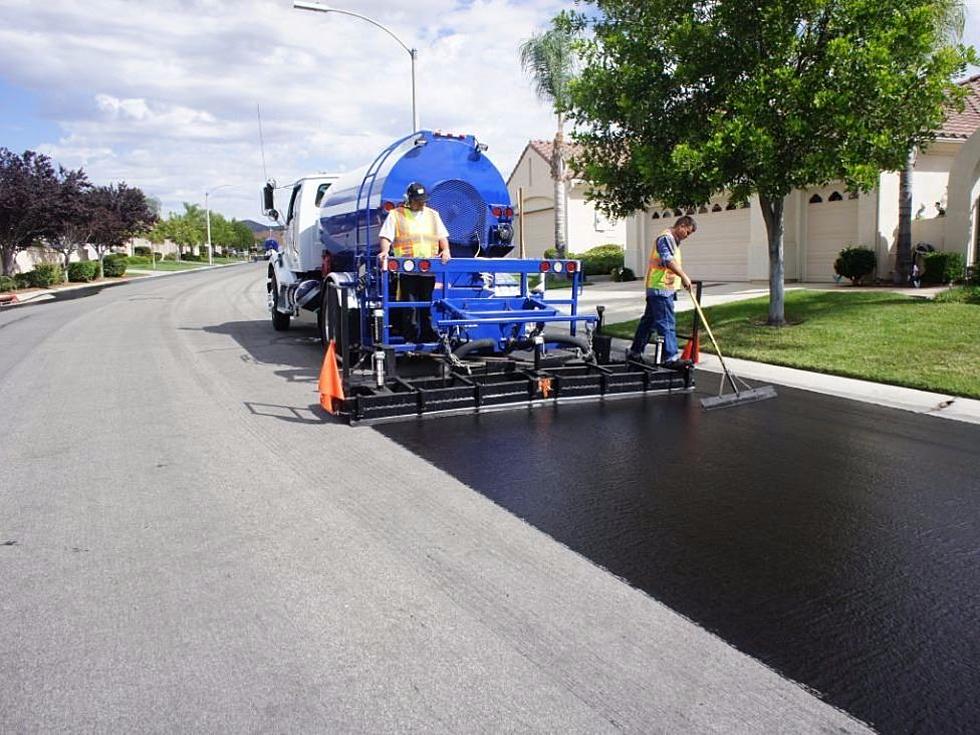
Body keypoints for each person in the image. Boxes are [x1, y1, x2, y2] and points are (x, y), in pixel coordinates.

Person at [378, 182, 451, 342]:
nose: (421, 203)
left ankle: (427, 335)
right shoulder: (396, 215)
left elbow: (442, 236)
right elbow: (386, 236)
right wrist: (384, 252)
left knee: (427, 304)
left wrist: (445, 250)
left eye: (423, 200)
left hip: (428, 269)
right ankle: (411, 336)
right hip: (408, 270)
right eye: (418, 200)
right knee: (410, 306)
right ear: (409, 199)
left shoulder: (432, 215)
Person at [627, 215, 697, 368]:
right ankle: (670, 358)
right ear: (682, 225)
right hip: (661, 288)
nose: (687, 236)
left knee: (648, 322)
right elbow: (668, 260)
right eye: (688, 232)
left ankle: (635, 352)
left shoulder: (673, 240)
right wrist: (684, 276)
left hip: (661, 288)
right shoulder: (666, 238)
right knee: (666, 323)